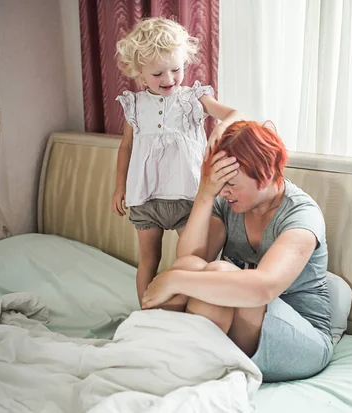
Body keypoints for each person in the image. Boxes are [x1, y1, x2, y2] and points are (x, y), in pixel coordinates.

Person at [141, 120, 334, 382]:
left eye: (231, 183)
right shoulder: (227, 203)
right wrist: (205, 195)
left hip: (301, 338)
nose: (224, 191)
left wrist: (172, 280)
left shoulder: (302, 215)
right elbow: (190, 260)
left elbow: (263, 288)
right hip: (241, 326)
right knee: (195, 270)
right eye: (219, 182)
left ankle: (179, 367)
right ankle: (178, 364)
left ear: (265, 176)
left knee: (218, 274)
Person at [111, 17, 243, 308]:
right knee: (149, 259)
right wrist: (119, 188)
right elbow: (126, 147)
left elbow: (233, 114)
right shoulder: (134, 104)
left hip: (188, 197)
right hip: (146, 198)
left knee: (191, 263)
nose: (169, 79)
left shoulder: (193, 98)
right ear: (140, 75)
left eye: (176, 69)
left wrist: (217, 132)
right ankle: (147, 313)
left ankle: (185, 315)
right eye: (158, 73)